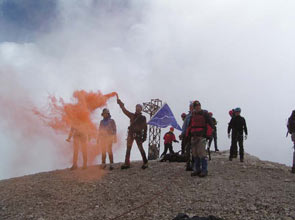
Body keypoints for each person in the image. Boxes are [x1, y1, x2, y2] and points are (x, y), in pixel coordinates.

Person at [184, 100, 214, 177]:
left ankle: (204, 170)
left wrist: (208, 135)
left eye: (198, 106)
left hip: (201, 136)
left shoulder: (205, 114)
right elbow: (190, 126)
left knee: (201, 153)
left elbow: (211, 124)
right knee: (195, 153)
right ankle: (197, 170)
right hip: (193, 136)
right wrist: (187, 135)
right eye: (196, 106)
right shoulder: (193, 115)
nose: (197, 107)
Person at [117, 98, 148, 169]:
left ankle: (145, 162)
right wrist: (121, 105)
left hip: (138, 134)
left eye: (139, 107)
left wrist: (144, 137)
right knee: (128, 148)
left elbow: (145, 127)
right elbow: (125, 111)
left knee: (140, 148)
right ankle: (127, 163)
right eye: (137, 107)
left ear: (141, 109)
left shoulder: (143, 117)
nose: (137, 108)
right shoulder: (132, 115)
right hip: (131, 134)